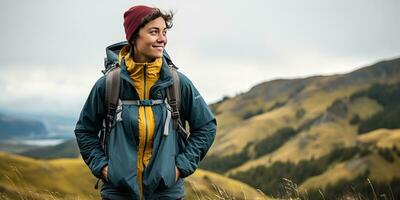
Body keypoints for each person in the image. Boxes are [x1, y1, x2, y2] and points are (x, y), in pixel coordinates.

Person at [74, 5, 217, 200]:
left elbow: (206, 126)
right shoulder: (109, 84)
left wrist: (179, 168)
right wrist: (104, 169)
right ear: (133, 36)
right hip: (117, 195)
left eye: (164, 32)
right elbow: (85, 130)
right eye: (154, 32)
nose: (162, 39)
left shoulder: (177, 83)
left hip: (166, 195)